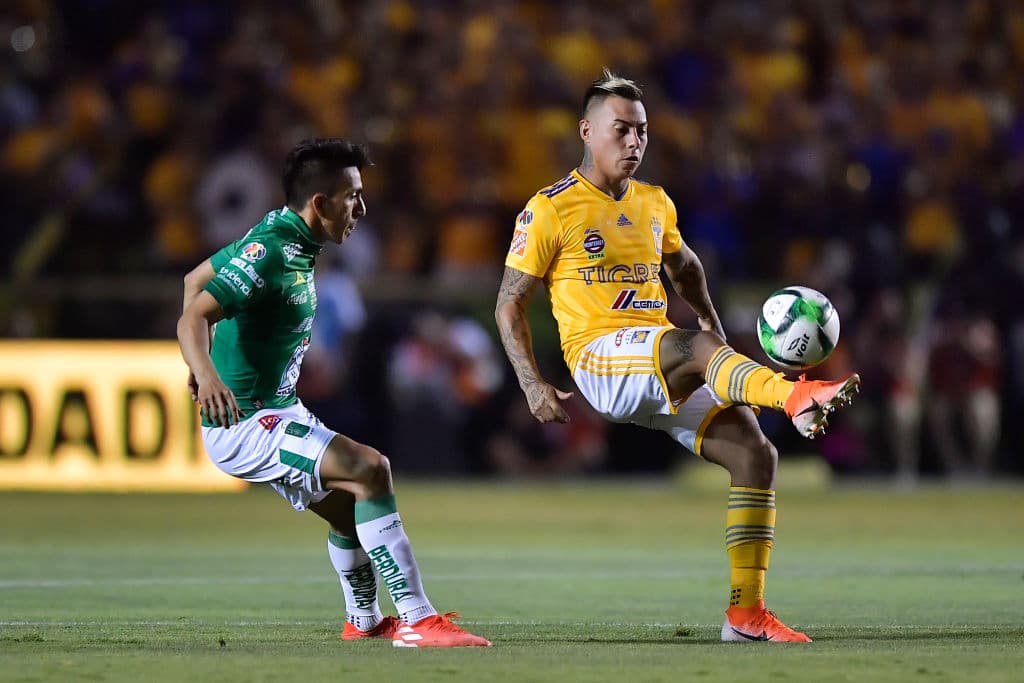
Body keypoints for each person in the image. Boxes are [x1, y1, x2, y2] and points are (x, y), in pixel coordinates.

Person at [495, 71, 860, 643]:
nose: (634, 142)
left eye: (642, 131)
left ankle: (745, 616)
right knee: (694, 347)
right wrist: (532, 383)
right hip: (599, 359)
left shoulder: (653, 202)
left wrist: (710, 317)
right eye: (622, 130)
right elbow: (508, 304)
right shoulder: (549, 210)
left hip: (657, 358)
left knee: (755, 455)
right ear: (587, 131)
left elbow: (684, 266)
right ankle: (797, 393)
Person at [177, 138, 490, 648]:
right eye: (352, 196)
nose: (361, 209)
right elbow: (194, 313)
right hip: (247, 422)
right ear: (319, 204)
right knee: (371, 468)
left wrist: (203, 361)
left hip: (276, 411)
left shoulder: (287, 238)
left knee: (349, 509)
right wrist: (205, 373)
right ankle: (417, 620)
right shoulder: (272, 251)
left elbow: (194, 279)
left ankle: (363, 621)